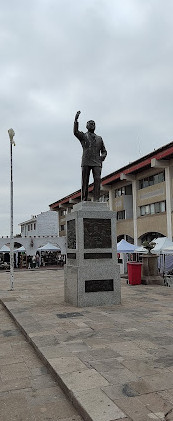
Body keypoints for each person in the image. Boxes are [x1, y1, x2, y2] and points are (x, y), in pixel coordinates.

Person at [73, 111, 107, 201]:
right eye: (90, 124)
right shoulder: (83, 136)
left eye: (93, 124)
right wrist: (76, 120)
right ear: (87, 126)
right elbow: (75, 132)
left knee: (97, 180)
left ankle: (96, 199)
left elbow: (104, 151)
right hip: (86, 161)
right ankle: (84, 199)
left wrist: (102, 157)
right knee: (85, 181)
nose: (92, 125)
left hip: (97, 162)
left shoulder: (99, 138)